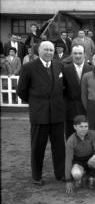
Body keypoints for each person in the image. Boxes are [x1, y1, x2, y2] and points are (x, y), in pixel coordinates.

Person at [17, 41, 66, 186]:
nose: (49, 52)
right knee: (38, 147)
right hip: (40, 114)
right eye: (46, 50)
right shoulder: (29, 67)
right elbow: (21, 91)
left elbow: (63, 87)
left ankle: (60, 173)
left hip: (57, 113)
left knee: (59, 147)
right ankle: (37, 176)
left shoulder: (59, 65)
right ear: (39, 50)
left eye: (51, 50)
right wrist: (36, 103)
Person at [65, 115, 95, 194]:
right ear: (75, 127)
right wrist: (68, 180)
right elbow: (68, 160)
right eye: (81, 126)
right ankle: (81, 176)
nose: (84, 129)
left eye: (86, 126)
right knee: (76, 174)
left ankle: (92, 176)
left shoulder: (92, 135)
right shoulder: (71, 140)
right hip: (78, 161)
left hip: (90, 159)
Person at [63, 44, 93, 138]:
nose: (78, 56)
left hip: (87, 109)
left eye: (80, 53)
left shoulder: (92, 70)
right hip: (70, 110)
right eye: (75, 53)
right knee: (70, 136)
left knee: (88, 137)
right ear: (71, 54)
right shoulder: (65, 70)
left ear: (84, 54)